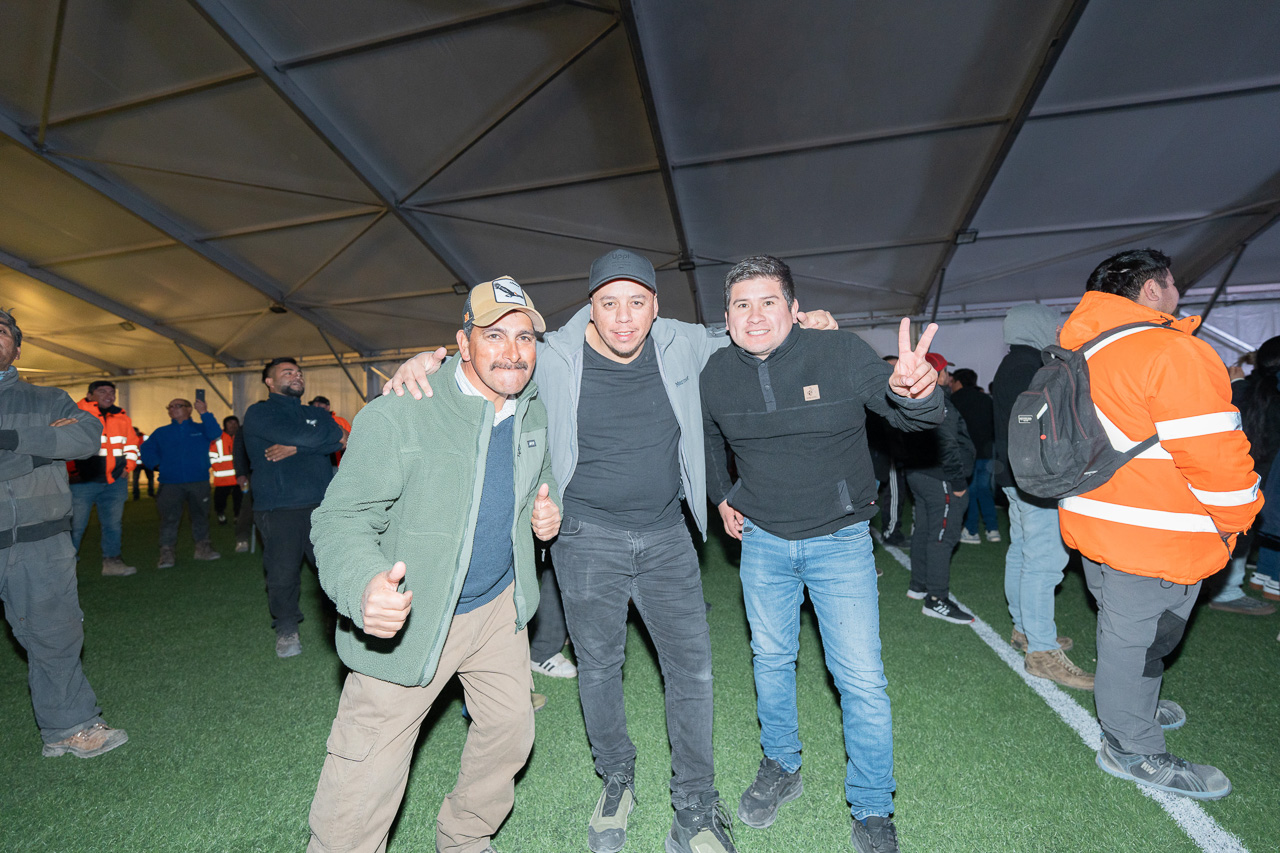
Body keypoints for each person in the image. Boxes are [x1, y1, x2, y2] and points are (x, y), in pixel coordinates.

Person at [383, 250, 839, 853]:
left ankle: (695, 803)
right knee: (599, 666)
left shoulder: (682, 343)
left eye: (637, 303)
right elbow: (490, 360)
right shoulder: (553, 353)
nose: (624, 318)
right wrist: (427, 361)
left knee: (693, 669)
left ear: (656, 306)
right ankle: (616, 777)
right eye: (609, 303)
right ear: (590, 306)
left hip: (668, 536)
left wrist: (807, 323)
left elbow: (750, 331)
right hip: (585, 538)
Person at [306, 278, 561, 853]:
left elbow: (539, 479)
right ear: (462, 343)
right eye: (494, 335)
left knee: (509, 732)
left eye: (524, 337)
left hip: (497, 607)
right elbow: (340, 519)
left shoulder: (531, 409)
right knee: (365, 772)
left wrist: (548, 513)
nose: (513, 351)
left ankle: (465, 837)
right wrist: (363, 585)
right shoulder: (401, 412)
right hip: (415, 617)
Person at [701, 256, 944, 853]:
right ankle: (782, 765)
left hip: (840, 542)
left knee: (860, 679)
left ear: (793, 308)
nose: (755, 316)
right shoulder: (715, 373)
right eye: (741, 305)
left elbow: (906, 414)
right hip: (762, 542)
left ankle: (873, 806)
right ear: (726, 317)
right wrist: (723, 495)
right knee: (770, 661)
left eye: (768, 302)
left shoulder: (839, 352)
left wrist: (916, 392)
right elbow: (706, 439)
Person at [1058, 249, 1262, 799]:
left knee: (1127, 631)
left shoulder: (1078, 348)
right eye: (1172, 284)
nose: (1177, 294)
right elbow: (1213, 451)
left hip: (1094, 519)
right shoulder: (1171, 350)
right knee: (1138, 638)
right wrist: (1238, 517)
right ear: (1151, 289)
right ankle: (1131, 747)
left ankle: (1133, 708)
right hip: (1155, 528)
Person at [0, 308, 129, 759]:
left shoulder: (50, 398)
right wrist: (40, 447)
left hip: (41, 541)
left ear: (18, 347)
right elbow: (61, 444)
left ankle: (69, 727)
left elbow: (86, 439)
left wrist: (10, 440)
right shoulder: (47, 415)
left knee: (56, 634)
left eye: (1, 331)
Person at [990, 304, 1094, 689]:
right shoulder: (1034, 367)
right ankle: (1042, 651)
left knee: (1022, 552)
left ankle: (1024, 629)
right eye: (1054, 325)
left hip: (1013, 476)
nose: (1059, 331)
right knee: (1044, 560)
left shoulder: (1010, 365)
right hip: (1036, 479)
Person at [241, 358, 347, 658]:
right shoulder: (259, 413)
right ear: (269, 382)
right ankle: (287, 628)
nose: (296, 376)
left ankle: (345, 623)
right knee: (282, 573)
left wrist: (297, 447)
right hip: (278, 507)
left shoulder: (316, 412)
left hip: (322, 506)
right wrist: (315, 441)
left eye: (299, 372)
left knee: (333, 568)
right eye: (287, 372)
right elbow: (324, 437)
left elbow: (342, 438)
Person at [899, 353, 976, 623]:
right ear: (936, 374)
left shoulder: (913, 398)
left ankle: (919, 585)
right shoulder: (937, 400)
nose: (948, 377)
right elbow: (947, 444)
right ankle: (936, 599)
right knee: (942, 537)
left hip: (919, 473)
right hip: (939, 476)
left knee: (923, 531)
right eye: (944, 371)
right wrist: (958, 482)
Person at [1207, 339, 1279, 613]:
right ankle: (1226, 590)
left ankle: (1223, 587)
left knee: (1233, 533)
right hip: (1257, 481)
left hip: (1232, 475)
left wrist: (1235, 384)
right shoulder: (1258, 392)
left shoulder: (1247, 389)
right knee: (1240, 534)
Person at [141, 398, 223, 568]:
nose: (172, 409)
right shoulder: (161, 432)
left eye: (177, 406)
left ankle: (203, 549)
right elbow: (146, 449)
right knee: (169, 519)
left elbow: (215, 433)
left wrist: (204, 413)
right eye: (170, 407)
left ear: (189, 409)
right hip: (170, 483)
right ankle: (166, 554)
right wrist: (156, 465)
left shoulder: (200, 428)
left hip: (198, 481)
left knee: (200, 516)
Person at [68, 380, 137, 577]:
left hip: (115, 482)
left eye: (111, 392)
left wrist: (129, 467)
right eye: (102, 391)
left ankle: (112, 563)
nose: (109, 395)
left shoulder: (122, 417)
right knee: (75, 527)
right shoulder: (76, 413)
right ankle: (63, 569)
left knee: (113, 525)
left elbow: (132, 445)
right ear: (90, 395)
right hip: (82, 482)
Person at [950, 368, 999, 544]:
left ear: (958, 382)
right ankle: (992, 529)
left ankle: (971, 530)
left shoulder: (954, 400)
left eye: (952, 382)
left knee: (969, 491)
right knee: (984, 490)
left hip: (965, 454)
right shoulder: (986, 399)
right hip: (986, 453)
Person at [210, 416, 243, 525]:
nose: (233, 425)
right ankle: (221, 514)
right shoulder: (217, 438)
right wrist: (217, 468)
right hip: (222, 478)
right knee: (220, 499)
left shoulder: (242, 437)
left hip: (239, 476)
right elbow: (211, 455)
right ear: (225, 425)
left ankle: (237, 516)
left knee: (240, 499)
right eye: (230, 423)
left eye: (235, 423)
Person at [308, 396, 351, 467]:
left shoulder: (340, 421)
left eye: (319, 404)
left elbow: (351, 441)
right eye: (314, 405)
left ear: (328, 407)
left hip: (337, 464)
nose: (316, 406)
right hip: (316, 464)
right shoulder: (311, 421)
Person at [131, 426, 154, 500]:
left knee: (150, 478)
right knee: (135, 480)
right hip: (137, 463)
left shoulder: (145, 438)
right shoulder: (130, 439)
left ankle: (151, 493)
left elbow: (152, 448)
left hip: (146, 462)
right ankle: (136, 495)